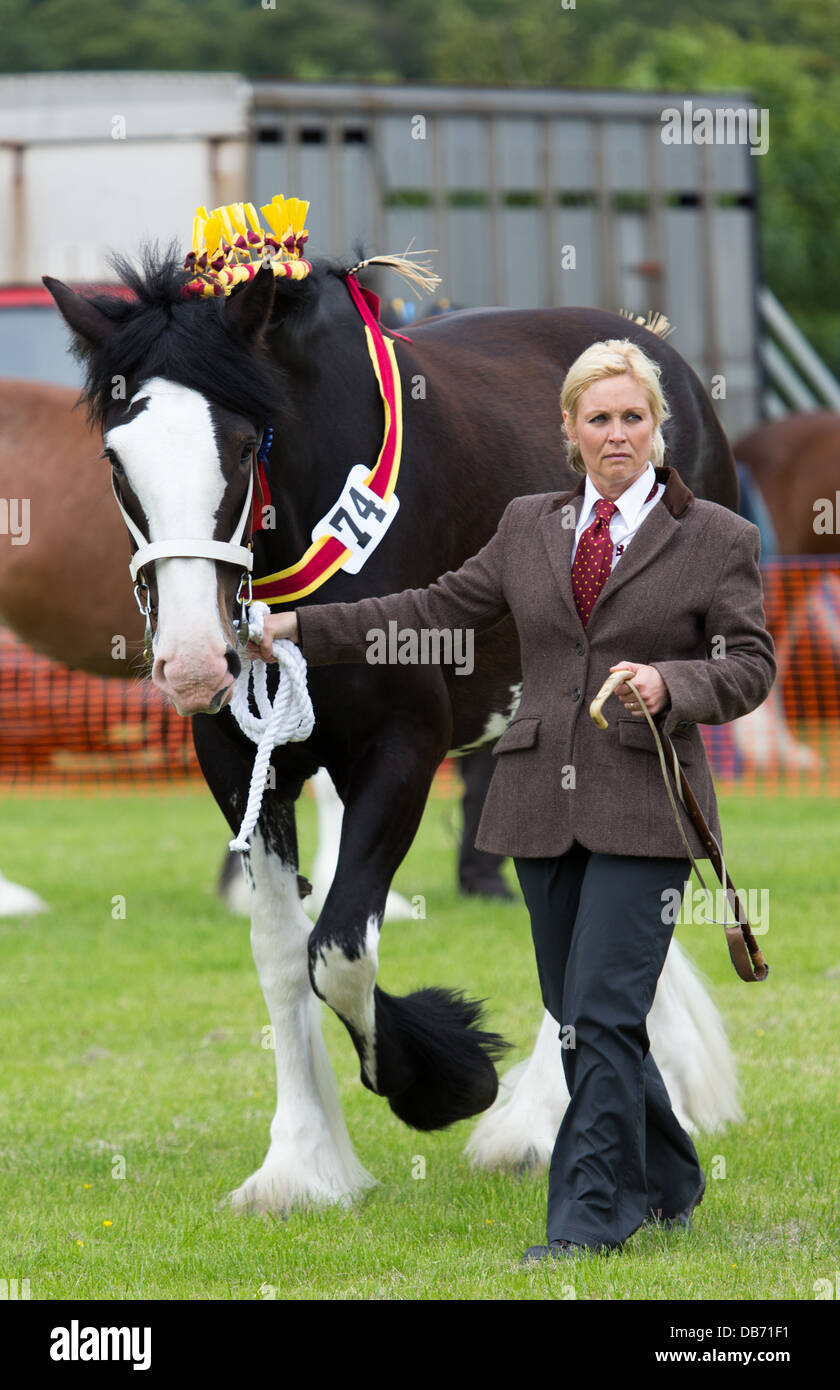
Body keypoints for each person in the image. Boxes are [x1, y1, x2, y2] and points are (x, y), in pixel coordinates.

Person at [248, 339, 776, 1263]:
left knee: (605, 1014)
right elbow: (427, 609)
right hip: (537, 803)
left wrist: (673, 685)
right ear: (568, 431)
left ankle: (586, 1219)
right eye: (599, 418)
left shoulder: (717, 540)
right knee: (577, 1014)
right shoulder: (529, 525)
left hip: (647, 804)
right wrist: (296, 626)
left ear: (657, 429)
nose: (618, 434)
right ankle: (673, 1179)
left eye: (634, 417)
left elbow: (750, 665)